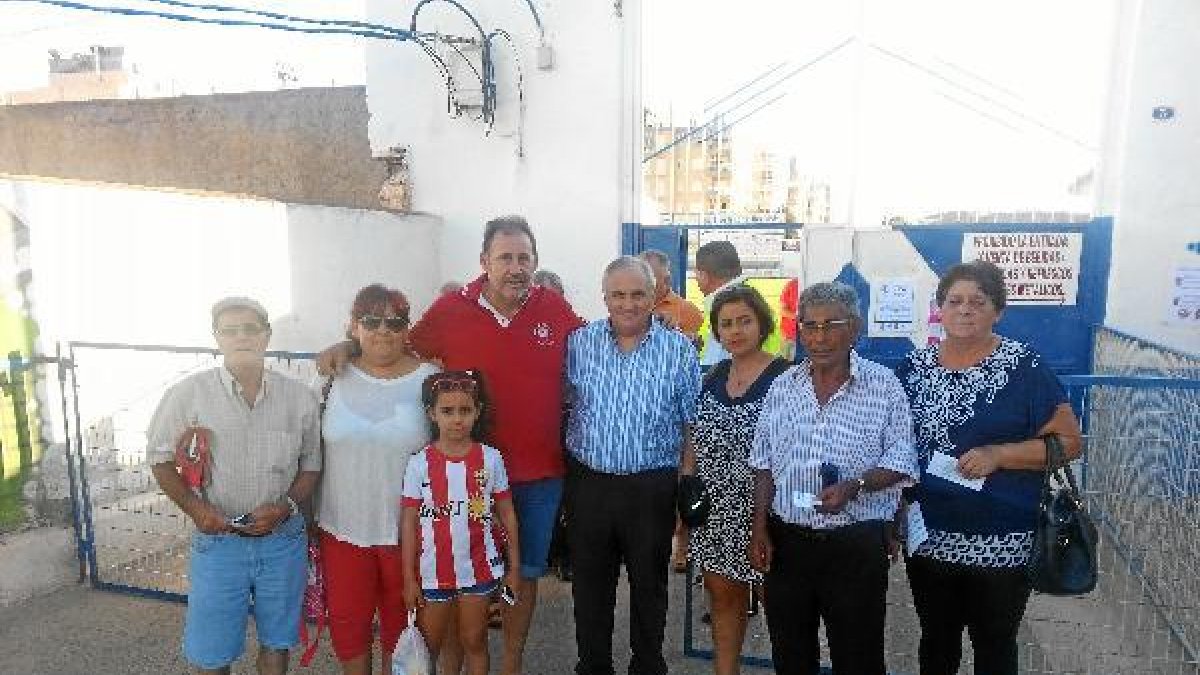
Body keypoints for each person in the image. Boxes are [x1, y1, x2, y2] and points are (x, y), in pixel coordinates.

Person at [319, 215, 582, 675]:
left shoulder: (554, 308)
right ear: (484, 262)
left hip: (537, 474)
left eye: (524, 257)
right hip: (461, 473)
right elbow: (397, 345)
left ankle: (511, 666)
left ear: (535, 261)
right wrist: (348, 346)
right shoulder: (449, 310)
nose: (516, 267)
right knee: (462, 580)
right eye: (505, 257)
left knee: (524, 576)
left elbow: (593, 347)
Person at [895, 260, 1082, 675]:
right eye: (955, 301)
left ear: (997, 311)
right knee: (936, 642)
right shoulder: (913, 369)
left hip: (1001, 536)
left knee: (994, 645)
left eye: (978, 302)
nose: (965, 309)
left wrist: (999, 456)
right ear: (939, 309)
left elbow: (1070, 442)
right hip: (930, 534)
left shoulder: (1023, 367)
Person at [748, 281, 917, 675]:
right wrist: (760, 527)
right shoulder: (783, 386)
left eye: (831, 325)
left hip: (854, 546)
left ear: (854, 328)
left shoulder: (883, 386)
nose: (819, 338)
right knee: (791, 656)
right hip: (788, 542)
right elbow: (763, 461)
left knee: (859, 657)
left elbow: (903, 458)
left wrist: (856, 486)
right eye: (809, 326)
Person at [147, 297, 320, 675]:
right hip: (220, 545)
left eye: (250, 329)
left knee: (277, 643)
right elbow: (159, 459)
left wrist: (286, 507)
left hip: (283, 544)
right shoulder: (187, 394)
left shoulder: (300, 398)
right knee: (213, 655)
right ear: (217, 338)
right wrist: (197, 510)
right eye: (230, 330)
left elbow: (310, 467)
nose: (241, 337)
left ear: (267, 335)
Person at [565, 255, 701, 675]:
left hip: (651, 487)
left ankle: (647, 664)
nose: (628, 304)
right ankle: (594, 666)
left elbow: (690, 422)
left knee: (649, 586)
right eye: (618, 295)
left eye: (637, 294)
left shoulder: (677, 350)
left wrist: (687, 481)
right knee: (590, 589)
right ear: (604, 297)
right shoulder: (578, 344)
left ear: (654, 295)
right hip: (590, 485)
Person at [316, 284, 439, 675]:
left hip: (410, 537)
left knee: (402, 632)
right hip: (342, 531)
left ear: (408, 328)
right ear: (353, 326)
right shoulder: (330, 376)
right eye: (371, 320)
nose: (383, 329)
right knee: (349, 631)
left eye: (395, 321)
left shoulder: (430, 378)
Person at [681, 285, 790, 675]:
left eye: (744, 320)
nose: (736, 330)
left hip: (766, 515)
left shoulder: (787, 378)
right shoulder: (712, 377)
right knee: (723, 602)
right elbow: (694, 435)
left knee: (780, 611)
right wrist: (687, 483)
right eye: (726, 324)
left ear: (762, 323)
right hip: (715, 514)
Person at [401, 370, 521, 675]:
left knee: (475, 641)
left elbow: (507, 513)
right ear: (432, 413)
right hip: (433, 573)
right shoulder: (419, 464)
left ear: (477, 412)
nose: (457, 419)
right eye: (447, 411)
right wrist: (408, 578)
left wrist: (515, 569)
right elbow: (409, 522)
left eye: (465, 410)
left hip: (478, 569)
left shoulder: (491, 459)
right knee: (431, 647)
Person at [640, 248, 705, 573]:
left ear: (666, 278)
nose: (649, 286)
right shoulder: (631, 305)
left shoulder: (688, 311)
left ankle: (682, 545)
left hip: (677, 401)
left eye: (655, 279)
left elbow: (697, 353)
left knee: (684, 475)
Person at [694, 241, 749, 367]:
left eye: (696, 273)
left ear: (703, 275)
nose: (695, 279)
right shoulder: (748, 296)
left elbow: (713, 365)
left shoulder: (729, 303)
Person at [640, 249, 704, 338]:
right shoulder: (626, 308)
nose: (640, 286)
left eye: (649, 280)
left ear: (667, 280)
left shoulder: (690, 312)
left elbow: (693, 348)